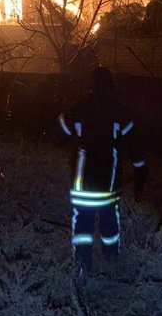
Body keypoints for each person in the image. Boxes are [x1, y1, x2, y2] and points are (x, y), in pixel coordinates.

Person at [58, 66, 148, 283]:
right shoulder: (120, 112)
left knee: (83, 223)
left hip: (83, 185)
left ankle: (82, 263)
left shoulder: (80, 109)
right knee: (109, 222)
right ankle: (111, 257)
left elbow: (62, 125)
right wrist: (140, 171)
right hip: (108, 184)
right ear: (111, 86)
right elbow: (135, 145)